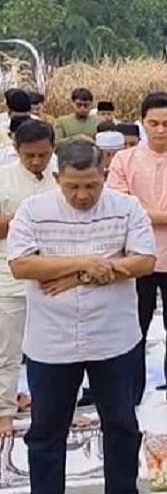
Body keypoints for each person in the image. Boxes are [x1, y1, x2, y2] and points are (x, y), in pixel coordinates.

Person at [6, 138, 157, 494]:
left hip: (114, 336)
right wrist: (91, 263)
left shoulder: (126, 208)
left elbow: (144, 260)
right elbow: (22, 266)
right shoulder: (34, 210)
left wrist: (73, 276)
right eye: (73, 186)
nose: (82, 194)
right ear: (57, 178)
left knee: (121, 421)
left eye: (91, 185)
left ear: (105, 176)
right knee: (46, 428)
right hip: (51, 341)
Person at [106, 93, 167, 410]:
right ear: (142, 123)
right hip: (138, 258)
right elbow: (119, 206)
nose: (160, 130)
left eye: (166, 123)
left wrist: (147, 214)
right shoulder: (126, 159)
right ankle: (130, 393)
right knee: (134, 328)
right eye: (153, 123)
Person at [0, 121, 58, 437]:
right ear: (17, 150)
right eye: (29, 156)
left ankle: (55, 407)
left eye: (43, 155)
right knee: (7, 352)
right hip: (9, 279)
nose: (37, 162)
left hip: (54, 277)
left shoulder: (62, 177)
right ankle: (4, 412)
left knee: (54, 351)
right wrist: (26, 219)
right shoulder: (5, 178)